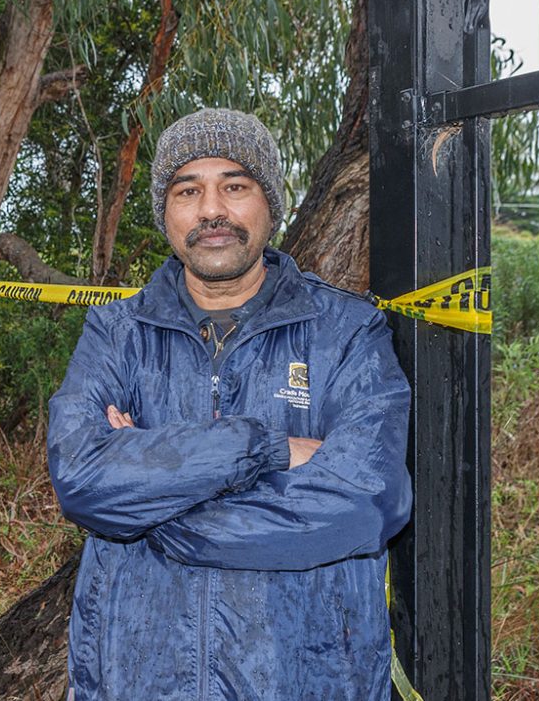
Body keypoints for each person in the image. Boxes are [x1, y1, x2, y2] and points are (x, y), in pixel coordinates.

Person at [47, 108, 412, 700]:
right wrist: (261, 447)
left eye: (235, 186)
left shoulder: (345, 331)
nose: (211, 210)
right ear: (166, 214)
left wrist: (159, 505)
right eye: (187, 190)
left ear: (270, 203)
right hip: (138, 675)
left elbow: (369, 498)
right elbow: (83, 480)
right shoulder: (117, 333)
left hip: (305, 676)